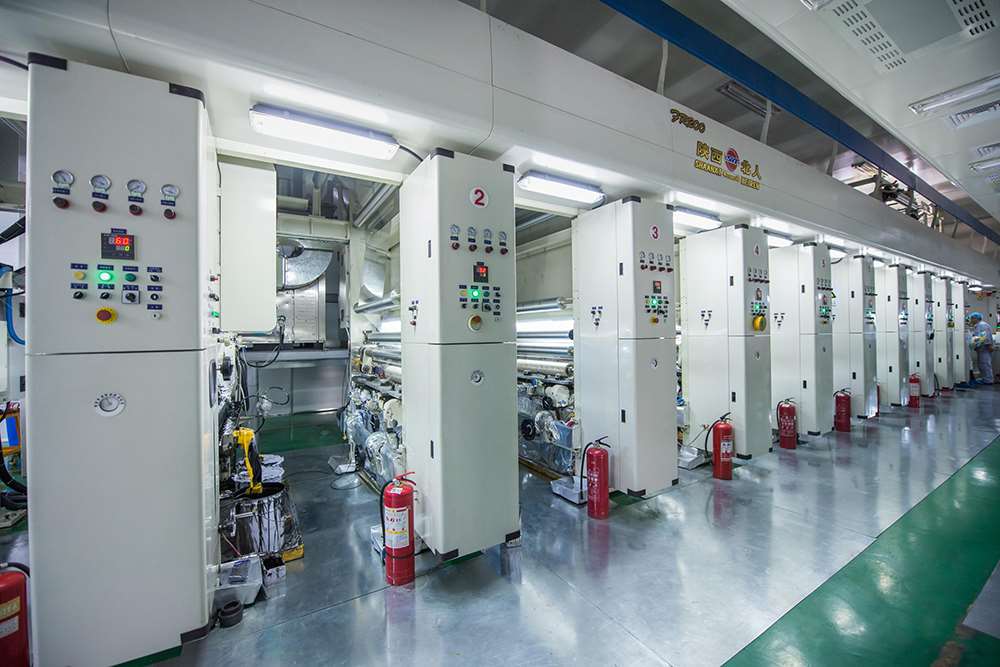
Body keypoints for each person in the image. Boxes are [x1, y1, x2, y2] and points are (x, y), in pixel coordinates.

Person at [969, 312, 994, 385]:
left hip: (985, 348)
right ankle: (985, 379)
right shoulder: (978, 325)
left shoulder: (982, 325)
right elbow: (978, 337)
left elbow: (986, 337)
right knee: (982, 365)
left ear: (976, 318)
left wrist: (989, 345)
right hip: (981, 348)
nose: (971, 320)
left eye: (972, 318)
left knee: (985, 364)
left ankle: (988, 380)